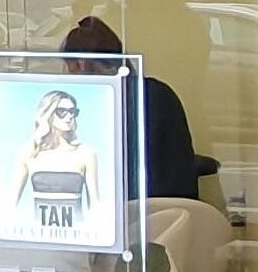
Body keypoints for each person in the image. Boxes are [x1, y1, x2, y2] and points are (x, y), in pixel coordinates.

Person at [62, 15, 203, 202]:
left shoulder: (97, 107)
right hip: (175, 218)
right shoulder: (159, 93)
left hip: (128, 217)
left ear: (80, 65)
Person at [9, 89, 101, 228]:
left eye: (73, 112)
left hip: (76, 234)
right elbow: (11, 203)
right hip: (39, 234)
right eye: (62, 111)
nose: (69, 116)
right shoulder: (30, 152)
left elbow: (94, 204)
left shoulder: (85, 152)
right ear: (48, 114)